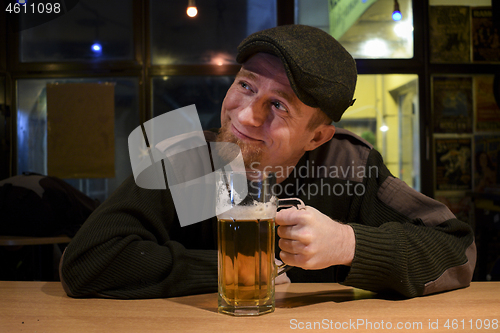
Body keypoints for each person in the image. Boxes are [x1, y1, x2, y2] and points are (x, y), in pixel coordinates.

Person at [60, 25, 476, 299]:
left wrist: (348, 244)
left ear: (317, 136)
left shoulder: (347, 165)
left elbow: (457, 248)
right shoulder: (191, 160)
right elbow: (89, 261)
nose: (244, 115)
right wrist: (240, 270)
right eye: (244, 85)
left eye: (277, 105)